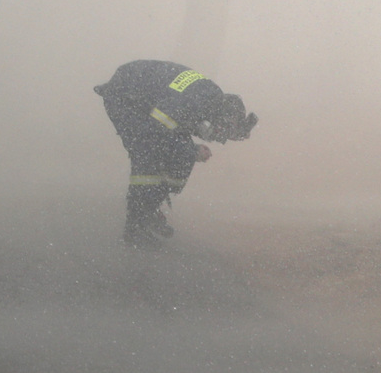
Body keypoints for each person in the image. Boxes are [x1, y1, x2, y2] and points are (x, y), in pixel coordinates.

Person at [94, 60, 258, 248]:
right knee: (147, 155)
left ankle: (148, 209)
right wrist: (193, 151)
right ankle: (135, 228)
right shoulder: (188, 102)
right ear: (220, 117)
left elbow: (183, 122)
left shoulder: (213, 100)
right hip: (126, 99)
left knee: (180, 155)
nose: (220, 137)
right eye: (222, 131)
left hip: (150, 103)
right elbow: (156, 131)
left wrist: (223, 134)